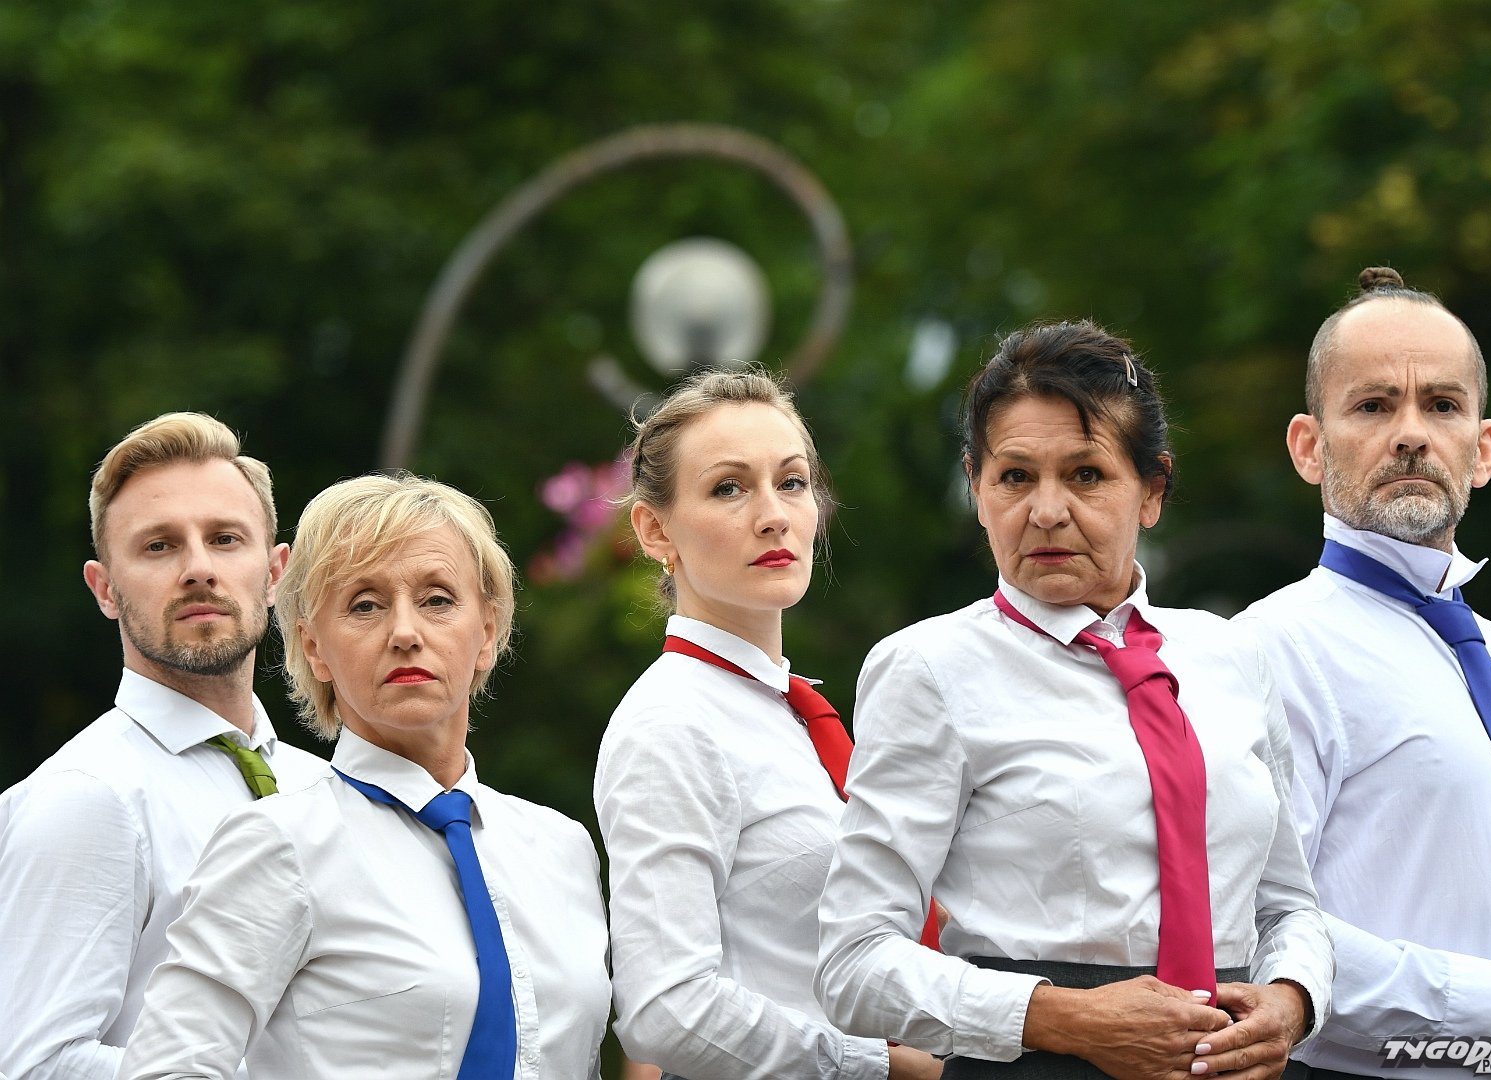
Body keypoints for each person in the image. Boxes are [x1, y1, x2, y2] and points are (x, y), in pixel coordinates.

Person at [816, 321, 1335, 1080]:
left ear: (1152, 490)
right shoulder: (929, 668)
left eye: (1086, 474)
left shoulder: (1232, 657)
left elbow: (1287, 904)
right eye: (1015, 477)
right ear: (976, 487)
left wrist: (1292, 998)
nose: (1047, 510)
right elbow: (853, 962)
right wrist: (1066, 1018)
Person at [119, 473, 611, 1079]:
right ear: (314, 647)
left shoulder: (562, 849)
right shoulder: (280, 845)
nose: (405, 633)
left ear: (486, 633)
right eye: (365, 605)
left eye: (437, 599)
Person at [1236, 267, 1491, 1077]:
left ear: (1482, 450)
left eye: (1442, 405)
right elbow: (1251, 928)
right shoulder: (1266, 653)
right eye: (1374, 406)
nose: (1412, 433)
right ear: (1309, 447)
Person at [595, 368, 943, 1080]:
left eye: (791, 482)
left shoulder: (797, 717)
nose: (774, 514)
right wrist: (880, 1066)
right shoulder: (670, 723)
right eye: (729, 488)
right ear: (655, 530)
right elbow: (665, 1007)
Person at [0, 412, 328, 1080]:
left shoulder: (325, 788)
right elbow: (34, 1065)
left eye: (225, 539)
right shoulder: (86, 798)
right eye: (159, 546)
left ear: (275, 573)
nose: (199, 568)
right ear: (105, 590)